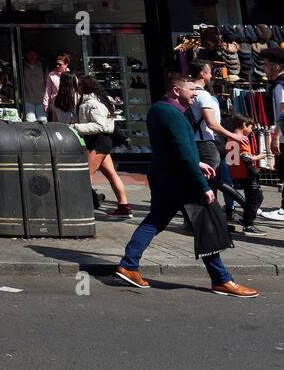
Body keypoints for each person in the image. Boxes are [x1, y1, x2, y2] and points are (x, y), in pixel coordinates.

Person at [115, 74, 257, 297]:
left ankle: (129, 264)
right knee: (206, 226)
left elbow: (172, 148)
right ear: (175, 91)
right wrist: (203, 185)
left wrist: (197, 161)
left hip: (163, 177)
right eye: (191, 90)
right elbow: (182, 150)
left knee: (156, 220)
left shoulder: (157, 110)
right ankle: (222, 280)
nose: (195, 94)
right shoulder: (175, 115)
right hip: (182, 180)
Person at [71, 76, 132, 217]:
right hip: (102, 142)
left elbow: (100, 126)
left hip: (98, 141)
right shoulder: (99, 101)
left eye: (79, 84)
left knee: (84, 175)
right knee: (111, 173)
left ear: (84, 87)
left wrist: (75, 126)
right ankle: (124, 207)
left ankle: (81, 208)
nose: (77, 87)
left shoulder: (92, 103)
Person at [223, 113, 265, 235]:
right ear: (244, 125)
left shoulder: (230, 137)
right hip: (246, 172)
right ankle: (248, 224)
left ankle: (247, 219)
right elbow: (247, 158)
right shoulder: (242, 138)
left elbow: (232, 159)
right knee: (255, 197)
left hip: (237, 172)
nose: (251, 131)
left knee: (254, 197)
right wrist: (261, 156)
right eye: (250, 128)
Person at [260, 48, 284, 222]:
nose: (264, 69)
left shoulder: (281, 87)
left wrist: (276, 136)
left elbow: (283, 113)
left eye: (266, 65)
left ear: (276, 67)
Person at [21, 49, 47, 121]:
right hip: (27, 100)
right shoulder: (21, 67)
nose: (32, 57)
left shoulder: (43, 67)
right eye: (30, 55)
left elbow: (47, 84)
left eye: (34, 54)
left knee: (43, 121)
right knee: (30, 122)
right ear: (26, 56)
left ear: (37, 56)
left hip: (41, 101)